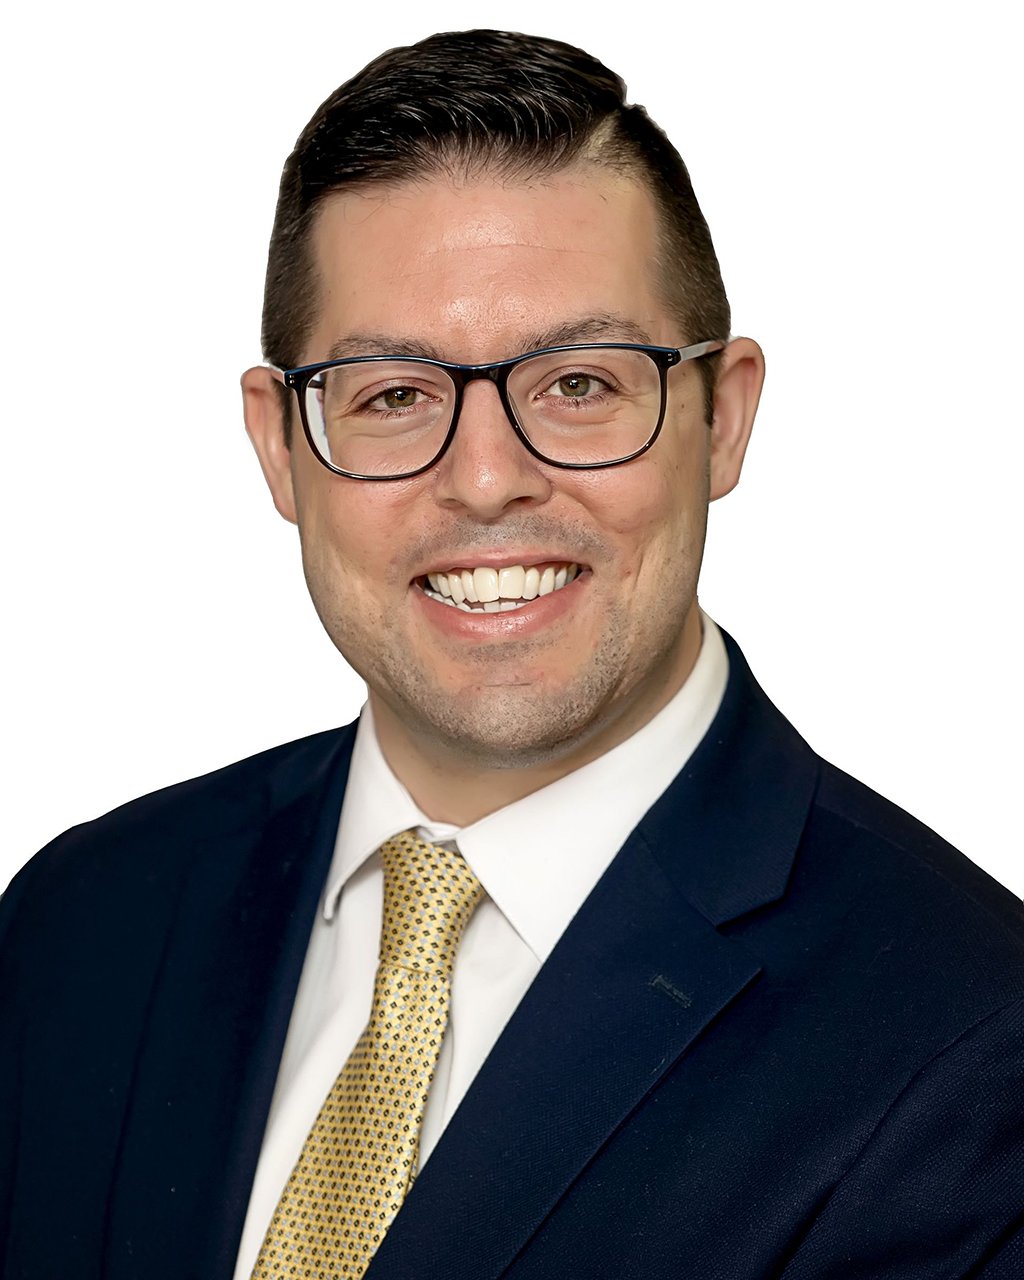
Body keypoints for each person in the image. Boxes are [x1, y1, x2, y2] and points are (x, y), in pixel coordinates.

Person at [1, 26, 1021, 1280]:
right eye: (391, 395)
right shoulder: (78, 921)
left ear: (724, 419)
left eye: (580, 384)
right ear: (279, 444)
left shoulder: (970, 1039)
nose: (485, 478)